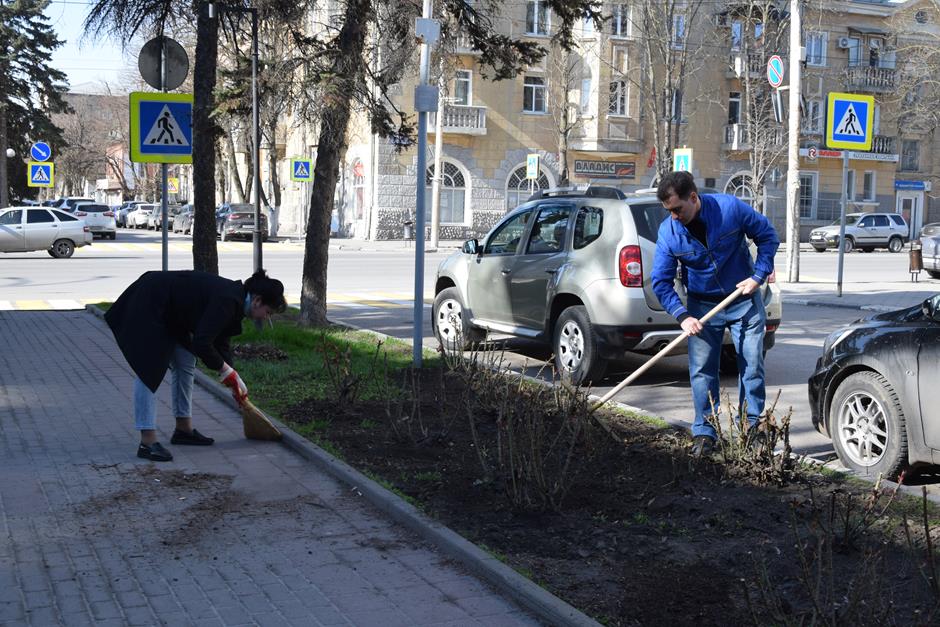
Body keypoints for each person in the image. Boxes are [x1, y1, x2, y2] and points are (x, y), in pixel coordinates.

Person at [651, 171, 780, 458]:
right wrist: (682, 316)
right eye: (669, 211)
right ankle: (705, 431)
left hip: (743, 298)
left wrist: (758, 276)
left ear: (693, 197)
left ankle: (752, 428)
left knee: (752, 365)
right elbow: (661, 281)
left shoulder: (729, 209)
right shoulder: (669, 232)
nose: (674, 216)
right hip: (702, 306)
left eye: (677, 209)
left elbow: (768, 235)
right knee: (702, 370)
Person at [105, 269, 287, 462]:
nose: (266, 318)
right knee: (148, 369)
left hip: (172, 315)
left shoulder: (236, 300)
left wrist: (233, 377)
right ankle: (147, 442)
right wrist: (225, 371)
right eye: (268, 312)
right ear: (257, 300)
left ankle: (183, 429)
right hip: (150, 302)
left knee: (185, 361)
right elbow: (202, 343)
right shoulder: (228, 299)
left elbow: (220, 340)